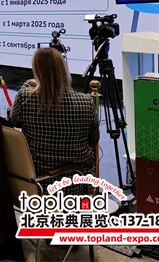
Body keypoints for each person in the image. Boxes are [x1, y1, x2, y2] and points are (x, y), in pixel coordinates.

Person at [7, 48, 99, 195]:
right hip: (76, 184)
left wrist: (28, 84)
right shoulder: (87, 102)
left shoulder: (25, 97)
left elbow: (12, 120)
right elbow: (93, 140)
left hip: (37, 183)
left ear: (37, 71)